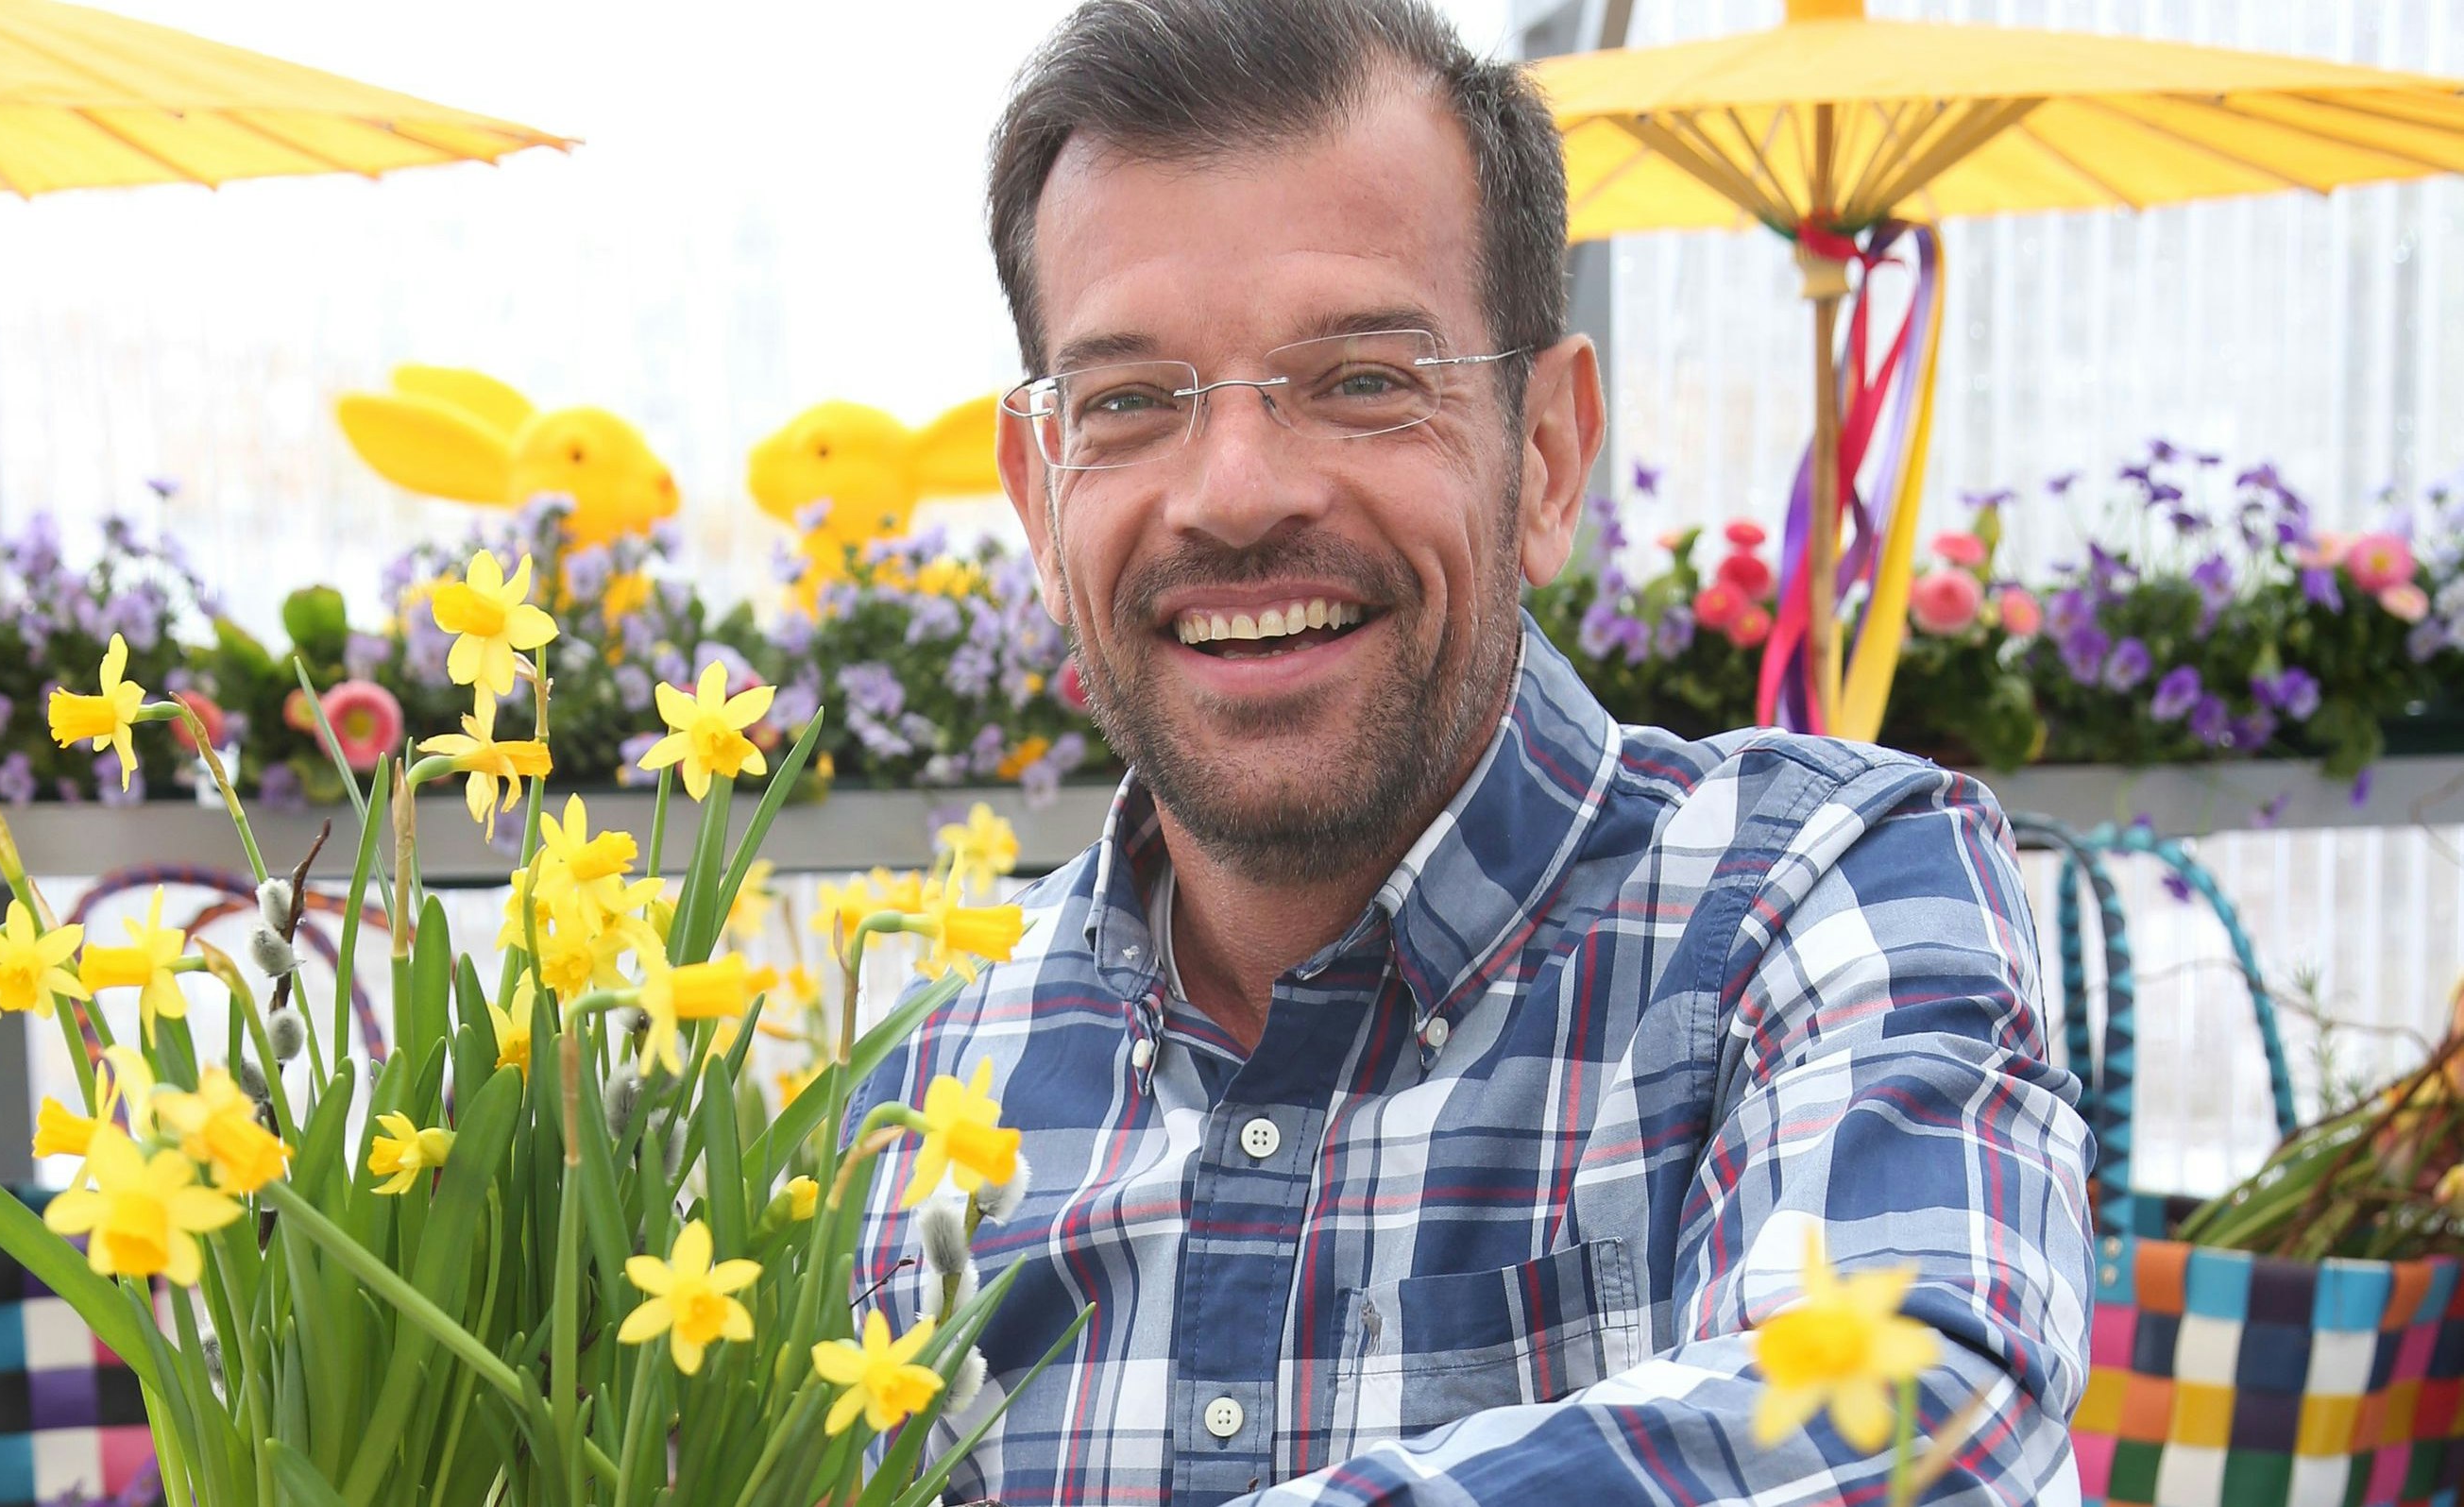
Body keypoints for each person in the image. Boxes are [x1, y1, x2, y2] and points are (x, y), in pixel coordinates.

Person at [845, 2, 2093, 1502]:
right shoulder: (924, 1074)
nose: (1232, 494)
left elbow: (1920, 1429)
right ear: (1040, 493)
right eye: (1127, 405)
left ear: (1549, 454)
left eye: (1363, 380)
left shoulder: (1813, 900)